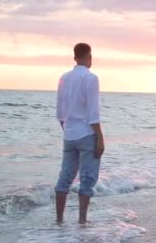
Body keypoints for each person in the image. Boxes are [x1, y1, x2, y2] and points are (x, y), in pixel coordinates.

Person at [55, 43, 105, 224]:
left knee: (64, 179)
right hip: (86, 134)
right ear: (90, 57)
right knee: (87, 179)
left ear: (74, 57)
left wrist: (68, 129)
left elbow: (60, 113)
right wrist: (100, 138)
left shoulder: (64, 78)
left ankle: (59, 221)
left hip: (69, 135)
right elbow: (93, 113)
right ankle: (82, 221)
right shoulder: (91, 78)